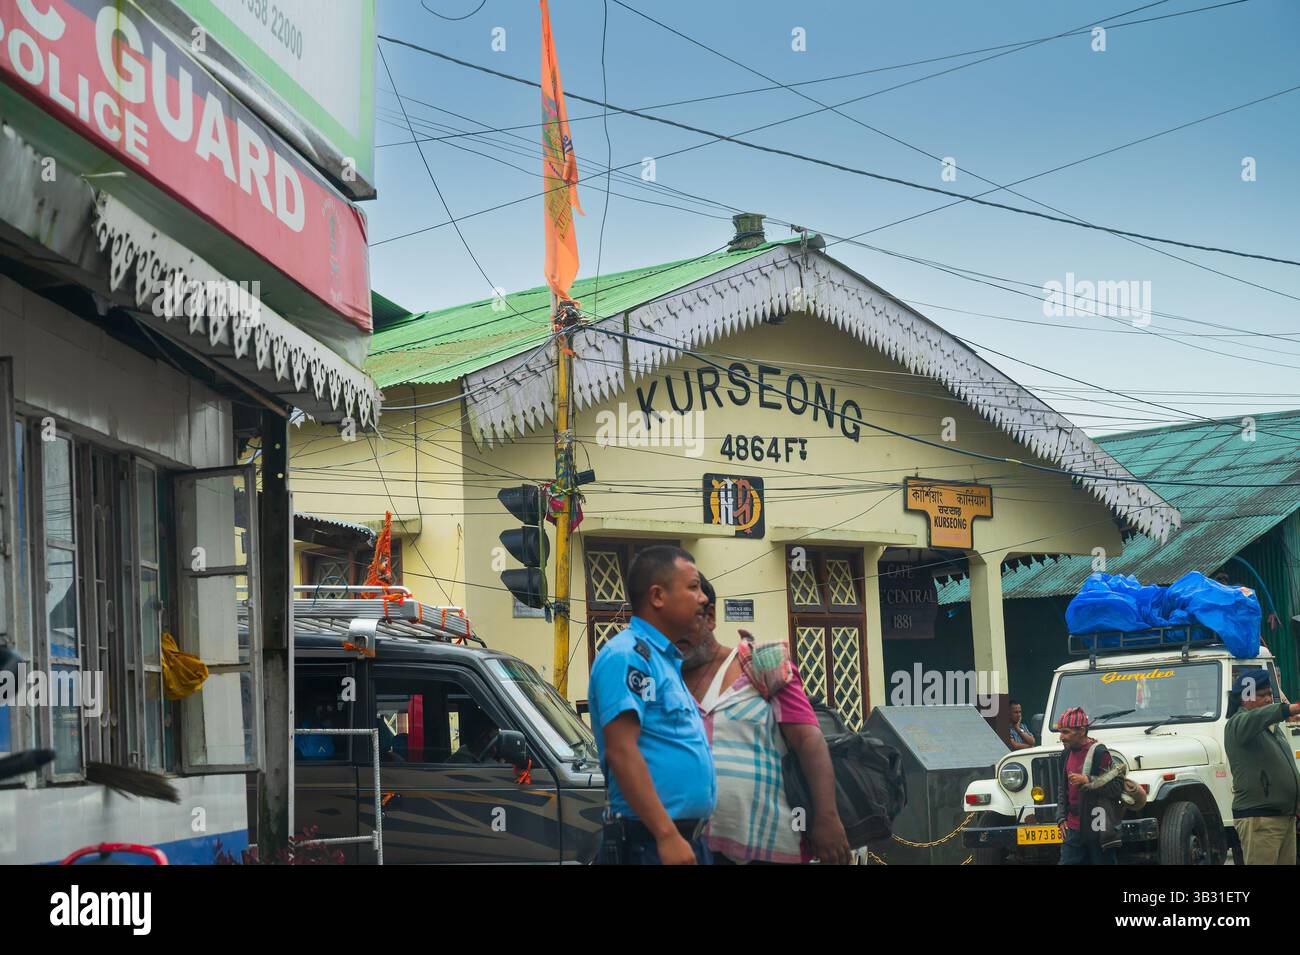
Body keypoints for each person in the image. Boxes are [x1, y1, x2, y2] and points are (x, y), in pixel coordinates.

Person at [681, 576, 850, 864]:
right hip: (693, 847)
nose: (673, 642)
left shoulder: (763, 663)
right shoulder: (663, 680)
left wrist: (827, 818)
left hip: (769, 847)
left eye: (682, 632)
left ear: (709, 618)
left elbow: (808, 739)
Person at [588, 545, 716, 865]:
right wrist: (666, 835)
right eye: (693, 587)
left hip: (683, 841)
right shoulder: (628, 656)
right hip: (651, 842)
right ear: (657, 596)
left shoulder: (664, 660)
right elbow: (622, 750)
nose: (703, 598)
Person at [1224, 668, 1300, 865]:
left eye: (1270, 694)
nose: (1268, 699)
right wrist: (1289, 709)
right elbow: (1256, 718)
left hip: (1284, 818)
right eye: (1262, 695)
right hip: (1260, 820)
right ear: (1246, 697)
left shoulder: (1271, 728)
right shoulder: (1237, 724)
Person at [1054, 706, 1125, 865]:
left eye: (1065, 732)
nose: (1061, 737)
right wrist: (1060, 817)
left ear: (1080, 730)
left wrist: (1088, 780)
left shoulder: (1100, 753)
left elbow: (1116, 788)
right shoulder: (1065, 754)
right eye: (1061, 732)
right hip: (1072, 828)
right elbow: (1062, 788)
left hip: (1097, 828)